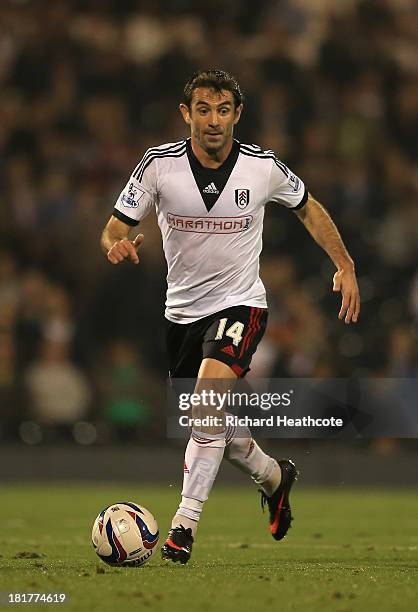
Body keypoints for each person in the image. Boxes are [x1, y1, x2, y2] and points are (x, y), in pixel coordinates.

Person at [100, 69, 360, 564]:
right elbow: (113, 229)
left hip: (241, 304)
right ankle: (274, 476)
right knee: (209, 419)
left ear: (237, 115)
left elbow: (308, 207)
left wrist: (344, 264)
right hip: (181, 316)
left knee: (205, 403)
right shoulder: (158, 167)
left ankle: (183, 527)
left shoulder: (262, 168)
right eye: (203, 109)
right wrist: (115, 247)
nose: (213, 121)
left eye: (223, 110)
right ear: (187, 114)